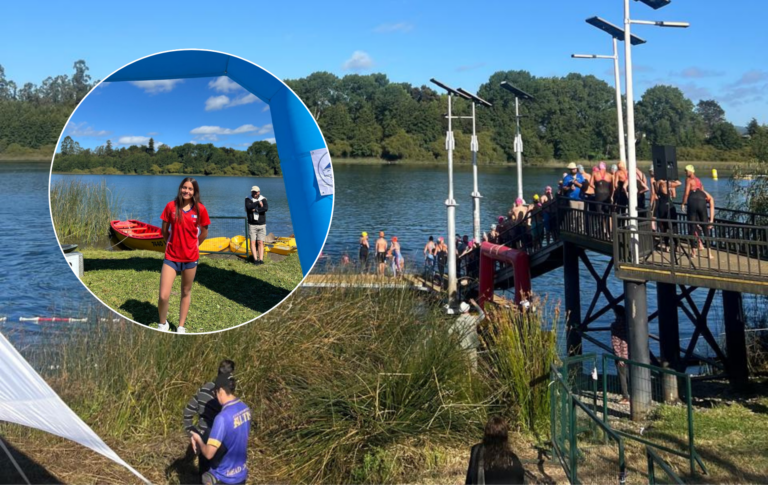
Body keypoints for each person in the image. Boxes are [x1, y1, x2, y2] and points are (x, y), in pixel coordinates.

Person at [158, 177, 210, 334]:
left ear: (195, 192)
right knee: (163, 295)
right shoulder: (170, 206)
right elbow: (164, 231)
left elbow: (204, 232)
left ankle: (181, 326)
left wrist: (193, 246)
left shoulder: (200, 209)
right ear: (180, 188)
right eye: (184, 187)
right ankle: (163, 324)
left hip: (191, 258)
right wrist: (172, 244)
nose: (186, 191)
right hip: (171, 257)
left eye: (190, 189)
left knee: (185, 292)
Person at [190, 372, 251, 485]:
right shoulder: (245, 408)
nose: (215, 395)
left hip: (223, 478)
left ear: (221, 390)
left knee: (205, 478)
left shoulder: (222, 418)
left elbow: (209, 454)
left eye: (215, 392)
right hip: (241, 475)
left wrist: (198, 438)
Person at [183, 360, 236, 479]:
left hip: (204, 438)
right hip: (219, 441)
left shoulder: (204, 389)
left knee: (204, 473)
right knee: (219, 474)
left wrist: (193, 434)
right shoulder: (226, 397)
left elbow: (187, 413)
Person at [465, 416, 526, 485]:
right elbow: (520, 480)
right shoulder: (513, 459)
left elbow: (469, 479)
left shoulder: (477, 451)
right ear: (505, 436)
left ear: (486, 434)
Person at [682, 165, 715, 258]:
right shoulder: (698, 180)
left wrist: (683, 203)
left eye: (686, 171)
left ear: (690, 171)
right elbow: (702, 190)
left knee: (692, 226)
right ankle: (709, 253)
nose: (685, 172)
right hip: (701, 200)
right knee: (705, 226)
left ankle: (693, 252)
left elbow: (686, 192)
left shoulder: (688, 180)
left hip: (692, 200)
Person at [452, 298, 485, 369]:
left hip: (461, 346)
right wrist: (475, 304)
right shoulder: (473, 319)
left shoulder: (457, 321)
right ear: (468, 309)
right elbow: (482, 315)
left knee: (464, 367)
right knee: (473, 367)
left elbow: (449, 332)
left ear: (460, 311)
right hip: (472, 345)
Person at [654, 176, 681, 250]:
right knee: (674, 226)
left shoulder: (656, 183)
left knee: (664, 227)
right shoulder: (665, 184)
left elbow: (655, 195)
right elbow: (679, 184)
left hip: (661, 207)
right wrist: (673, 178)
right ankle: (676, 245)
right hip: (668, 206)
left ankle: (667, 245)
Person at [610, 306, 630, 405]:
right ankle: (633, 394)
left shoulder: (615, 325)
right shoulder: (629, 323)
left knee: (622, 376)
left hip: (622, 355)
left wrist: (619, 357)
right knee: (630, 375)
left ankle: (626, 397)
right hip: (631, 354)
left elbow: (616, 343)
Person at [245, 186, 269, 264]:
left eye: (256, 192)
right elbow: (248, 207)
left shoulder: (263, 199)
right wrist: (258, 203)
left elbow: (265, 208)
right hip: (252, 224)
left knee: (260, 242)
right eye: (253, 192)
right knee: (252, 242)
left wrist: (255, 210)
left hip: (262, 224)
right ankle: (255, 260)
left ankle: (261, 260)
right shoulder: (247, 199)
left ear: (259, 192)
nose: (254, 193)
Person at [590, 162, 614, 237]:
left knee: (600, 213)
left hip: (598, 196)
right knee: (607, 214)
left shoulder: (595, 173)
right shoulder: (610, 175)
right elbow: (612, 188)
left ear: (599, 167)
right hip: (607, 196)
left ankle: (603, 230)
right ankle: (608, 232)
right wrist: (611, 196)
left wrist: (596, 188)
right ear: (605, 167)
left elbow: (590, 184)